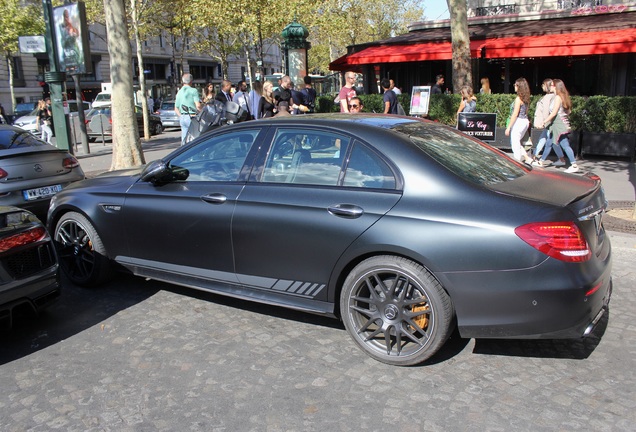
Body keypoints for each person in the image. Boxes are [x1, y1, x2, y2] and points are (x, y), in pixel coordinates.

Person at [542, 79, 579, 173]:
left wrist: (544, 121)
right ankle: (541, 161)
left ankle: (574, 165)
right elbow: (568, 112)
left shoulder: (558, 97)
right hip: (560, 124)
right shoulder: (563, 96)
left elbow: (554, 113)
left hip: (558, 125)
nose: (550, 86)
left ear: (555, 86)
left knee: (564, 144)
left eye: (551, 85)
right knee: (550, 142)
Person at [531, 79, 566, 167]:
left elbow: (547, 111)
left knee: (547, 142)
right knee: (551, 142)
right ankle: (561, 159)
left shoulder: (549, 97)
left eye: (543, 85)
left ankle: (537, 158)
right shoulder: (551, 96)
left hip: (549, 123)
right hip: (549, 123)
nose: (542, 86)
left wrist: (543, 122)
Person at [505, 77, 533, 164]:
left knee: (515, 143)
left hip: (519, 121)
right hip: (524, 121)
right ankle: (527, 158)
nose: (514, 86)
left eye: (515, 85)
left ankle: (517, 162)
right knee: (517, 141)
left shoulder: (518, 99)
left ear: (519, 86)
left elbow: (515, 114)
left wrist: (509, 127)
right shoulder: (526, 98)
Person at [174, 73, 202, 146]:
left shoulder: (179, 92)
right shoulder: (193, 91)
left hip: (183, 117)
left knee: (184, 139)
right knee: (194, 139)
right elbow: (198, 105)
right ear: (191, 81)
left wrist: (181, 116)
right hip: (191, 116)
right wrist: (201, 112)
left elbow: (176, 108)